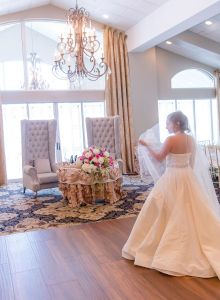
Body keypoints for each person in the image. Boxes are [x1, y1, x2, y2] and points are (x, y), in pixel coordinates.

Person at [122, 111, 220, 279]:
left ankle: (163, 248)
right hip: (188, 176)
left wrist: (146, 145)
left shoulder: (171, 139)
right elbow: (192, 163)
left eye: (168, 123)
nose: (166, 126)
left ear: (176, 123)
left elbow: (159, 158)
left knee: (165, 209)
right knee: (192, 210)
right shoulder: (191, 140)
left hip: (173, 177)